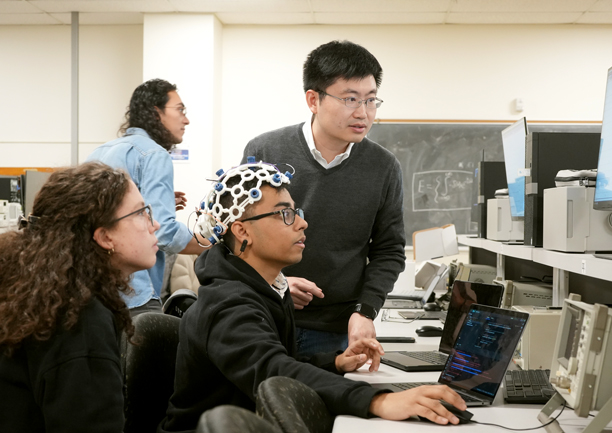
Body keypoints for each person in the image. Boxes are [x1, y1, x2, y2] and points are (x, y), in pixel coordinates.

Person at [158, 160, 466, 433]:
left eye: (297, 212)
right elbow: (273, 372)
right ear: (242, 232)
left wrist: (336, 362)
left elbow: (283, 361)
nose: (303, 223)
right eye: (285, 214)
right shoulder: (228, 306)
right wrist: (380, 400)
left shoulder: (263, 287)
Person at [242, 40, 406, 358]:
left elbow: (388, 250)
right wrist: (277, 281)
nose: (363, 113)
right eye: (350, 99)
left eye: (372, 101)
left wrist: (365, 310)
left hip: (336, 331)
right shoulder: (265, 152)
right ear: (313, 100)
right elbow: (239, 235)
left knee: (331, 407)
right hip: (265, 318)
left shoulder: (383, 167)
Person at [0, 162, 161, 433]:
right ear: (104, 237)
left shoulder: (38, 294)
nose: (154, 224)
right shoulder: (80, 322)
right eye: (141, 212)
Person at [88, 78, 208, 316]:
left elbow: (102, 215)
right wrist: (212, 243)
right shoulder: (154, 154)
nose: (186, 120)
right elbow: (164, 234)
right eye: (180, 110)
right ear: (156, 113)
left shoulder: (100, 151)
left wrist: (149, 202)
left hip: (95, 288)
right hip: (135, 293)